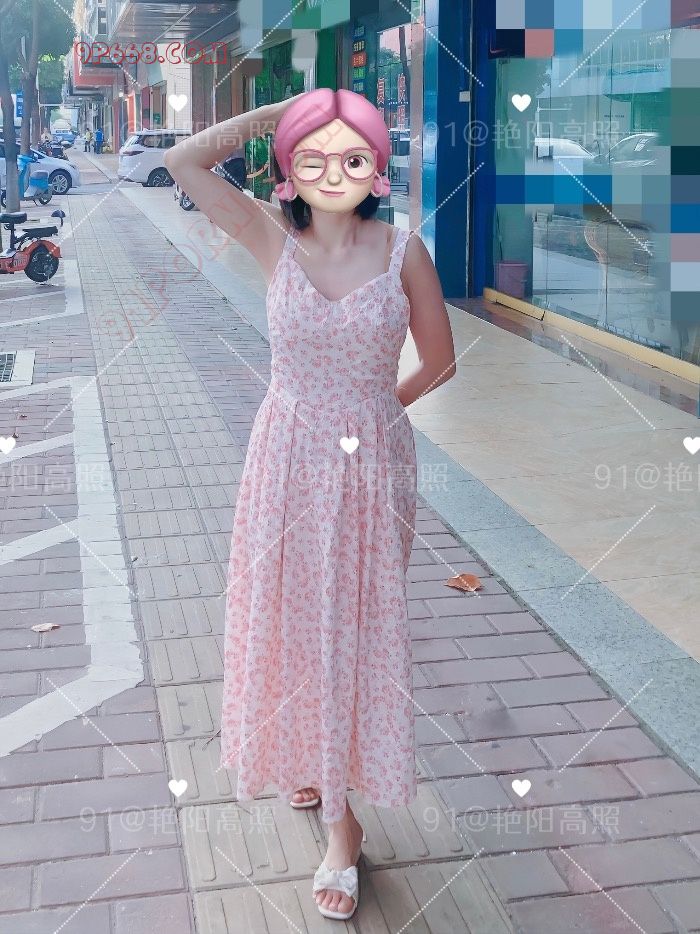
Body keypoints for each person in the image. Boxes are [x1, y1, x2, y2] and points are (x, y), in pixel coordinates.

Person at [164, 88, 456, 922]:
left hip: (370, 472)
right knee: (289, 617)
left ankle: (342, 824)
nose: (334, 169)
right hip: (284, 461)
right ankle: (314, 764)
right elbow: (182, 162)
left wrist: (375, 415)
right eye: (314, 153)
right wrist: (282, 111)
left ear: (375, 166)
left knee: (348, 628)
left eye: (351, 152)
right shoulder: (269, 236)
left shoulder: (403, 251)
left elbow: (440, 362)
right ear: (291, 166)